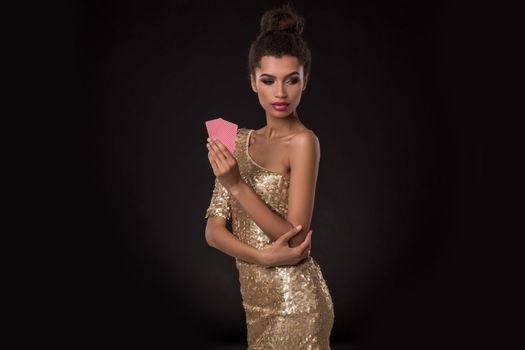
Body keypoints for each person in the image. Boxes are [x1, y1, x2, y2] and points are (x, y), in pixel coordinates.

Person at [204, 4, 334, 349]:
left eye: (291, 80)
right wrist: (261, 257)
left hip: (297, 304)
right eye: (268, 80)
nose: (280, 93)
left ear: (305, 81)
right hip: (256, 307)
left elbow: (295, 238)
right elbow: (213, 230)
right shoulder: (235, 139)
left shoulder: (304, 142)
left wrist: (236, 185)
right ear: (252, 81)